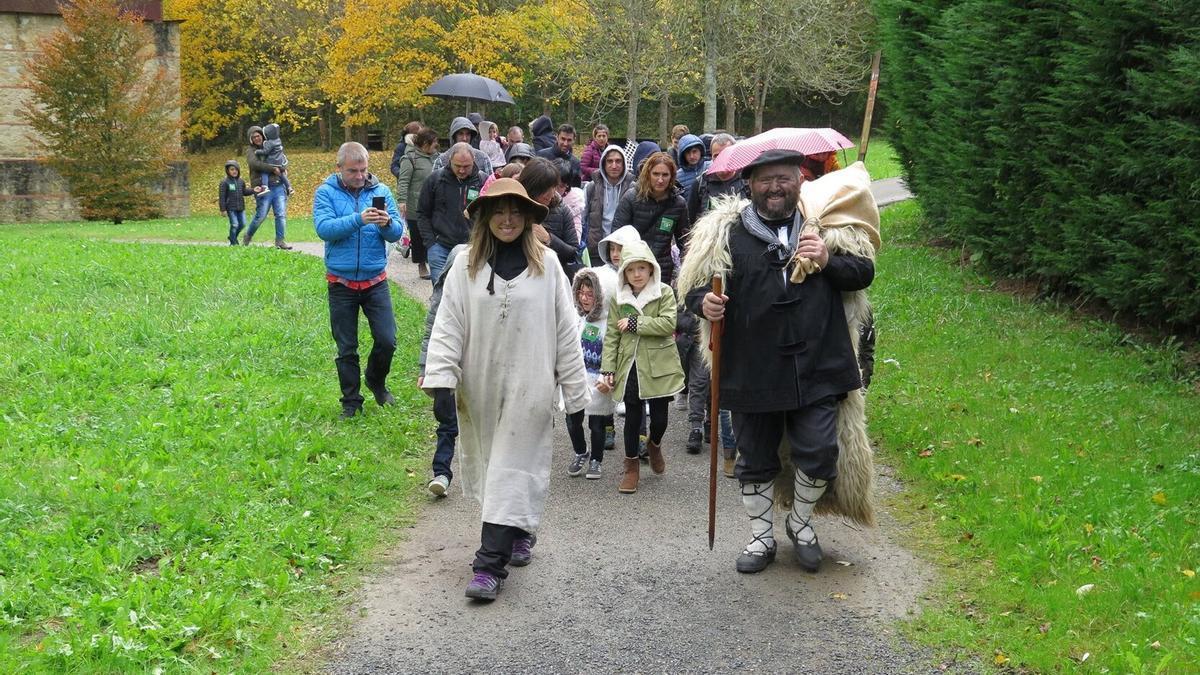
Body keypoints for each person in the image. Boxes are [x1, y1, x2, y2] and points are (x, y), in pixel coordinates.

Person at [678, 150, 880, 575]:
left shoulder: (826, 226)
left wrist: (826, 259)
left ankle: (800, 524)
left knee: (821, 452)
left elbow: (862, 274)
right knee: (754, 459)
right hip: (751, 368)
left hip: (817, 365)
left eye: (784, 178)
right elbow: (695, 289)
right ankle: (760, 536)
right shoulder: (725, 233)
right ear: (750, 185)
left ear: (799, 181)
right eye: (766, 180)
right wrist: (705, 304)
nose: (775, 187)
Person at [422, 178, 589, 601]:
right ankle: (518, 530)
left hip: (531, 386)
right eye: (499, 211)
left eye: (516, 211)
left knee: (511, 466)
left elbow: (566, 331)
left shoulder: (548, 265)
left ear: (529, 217)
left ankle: (488, 566)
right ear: (484, 217)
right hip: (480, 387)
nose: (508, 219)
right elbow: (448, 324)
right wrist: (441, 379)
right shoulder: (465, 266)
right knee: (495, 468)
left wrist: (575, 393)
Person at [313, 142, 404, 419]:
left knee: (387, 340)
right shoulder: (326, 192)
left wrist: (387, 224)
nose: (360, 176)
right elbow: (324, 229)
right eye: (353, 171)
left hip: (375, 280)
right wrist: (358, 219)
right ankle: (351, 402)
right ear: (339, 168)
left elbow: (397, 233)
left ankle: (376, 381)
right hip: (340, 282)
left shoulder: (381, 191)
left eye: (363, 170)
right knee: (347, 347)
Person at [598, 239, 685, 494]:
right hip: (630, 366)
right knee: (632, 418)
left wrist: (635, 323)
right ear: (624, 272)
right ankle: (631, 468)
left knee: (659, 419)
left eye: (642, 268)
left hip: (659, 365)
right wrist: (608, 369)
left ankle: (654, 445)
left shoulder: (664, 292)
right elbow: (612, 336)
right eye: (630, 269)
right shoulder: (619, 297)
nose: (637, 274)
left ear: (651, 269)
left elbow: (668, 324)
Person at [418, 243, 466, 497]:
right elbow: (430, 331)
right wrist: (425, 369)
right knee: (446, 420)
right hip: (445, 364)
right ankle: (441, 473)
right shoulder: (442, 298)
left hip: (475, 366)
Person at [610, 152, 690, 285]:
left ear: (672, 177)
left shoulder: (679, 203)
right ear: (648, 174)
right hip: (634, 268)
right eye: (656, 174)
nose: (660, 180)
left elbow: (685, 242)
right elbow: (617, 236)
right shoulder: (631, 198)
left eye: (665, 175)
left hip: (662, 269)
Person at [565, 268, 614, 480]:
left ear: (601, 296)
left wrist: (608, 376)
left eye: (590, 294)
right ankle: (580, 451)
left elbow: (614, 352)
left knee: (597, 423)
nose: (584, 299)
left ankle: (596, 459)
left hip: (598, 382)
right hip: (575, 379)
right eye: (581, 293)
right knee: (572, 420)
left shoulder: (608, 322)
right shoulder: (574, 318)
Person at [417, 143, 487, 285]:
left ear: (474, 160)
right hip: (440, 247)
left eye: (466, 166)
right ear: (450, 160)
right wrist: (431, 243)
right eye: (457, 166)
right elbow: (422, 213)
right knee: (441, 291)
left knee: (469, 290)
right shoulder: (435, 179)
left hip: (472, 247)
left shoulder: (483, 181)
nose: (461, 170)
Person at [518, 157, 581, 278]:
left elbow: (573, 253)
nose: (551, 194)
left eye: (554, 187)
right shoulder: (515, 209)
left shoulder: (562, 210)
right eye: (545, 189)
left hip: (551, 276)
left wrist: (549, 239)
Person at [396, 126, 439, 280]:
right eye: (434, 142)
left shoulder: (437, 158)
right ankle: (421, 264)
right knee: (418, 237)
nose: (436, 145)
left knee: (435, 235)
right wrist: (402, 200)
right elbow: (403, 181)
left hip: (435, 205)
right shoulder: (409, 159)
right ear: (425, 143)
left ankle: (435, 263)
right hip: (416, 206)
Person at [582, 145, 635, 264]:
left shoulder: (633, 189)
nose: (614, 166)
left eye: (618, 161)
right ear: (603, 164)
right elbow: (583, 218)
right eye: (610, 161)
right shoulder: (592, 187)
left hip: (624, 250)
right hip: (596, 250)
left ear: (624, 164)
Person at [243, 126, 291, 249]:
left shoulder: (271, 145)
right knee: (261, 216)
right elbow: (254, 164)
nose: (257, 138)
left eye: (258, 136)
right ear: (251, 139)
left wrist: (282, 168)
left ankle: (280, 241)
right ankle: (248, 235)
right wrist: (272, 168)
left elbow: (282, 160)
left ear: (262, 135)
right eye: (254, 137)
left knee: (280, 215)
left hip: (278, 185)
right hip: (263, 187)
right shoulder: (251, 151)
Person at [686, 133, 743, 221]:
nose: (721, 159)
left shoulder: (747, 181)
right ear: (711, 157)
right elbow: (690, 219)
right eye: (716, 156)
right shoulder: (700, 183)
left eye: (725, 154)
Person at [218, 159, 257, 246]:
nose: (234, 171)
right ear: (227, 171)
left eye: (236, 169)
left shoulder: (241, 181)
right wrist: (223, 210)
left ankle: (232, 237)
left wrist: (253, 190)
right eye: (232, 169)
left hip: (241, 207)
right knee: (235, 224)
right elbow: (222, 197)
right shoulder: (224, 182)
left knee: (242, 224)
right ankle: (233, 243)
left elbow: (244, 192)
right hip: (230, 208)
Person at [254, 123, 294, 196]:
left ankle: (265, 186)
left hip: (272, 162)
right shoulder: (278, 140)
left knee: (264, 172)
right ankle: (289, 187)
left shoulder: (270, 143)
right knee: (282, 174)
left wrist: (257, 152)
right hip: (280, 162)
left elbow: (265, 151)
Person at [389, 121, 423, 186]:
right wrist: (404, 175)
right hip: (406, 184)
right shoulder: (401, 147)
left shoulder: (424, 146)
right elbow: (394, 166)